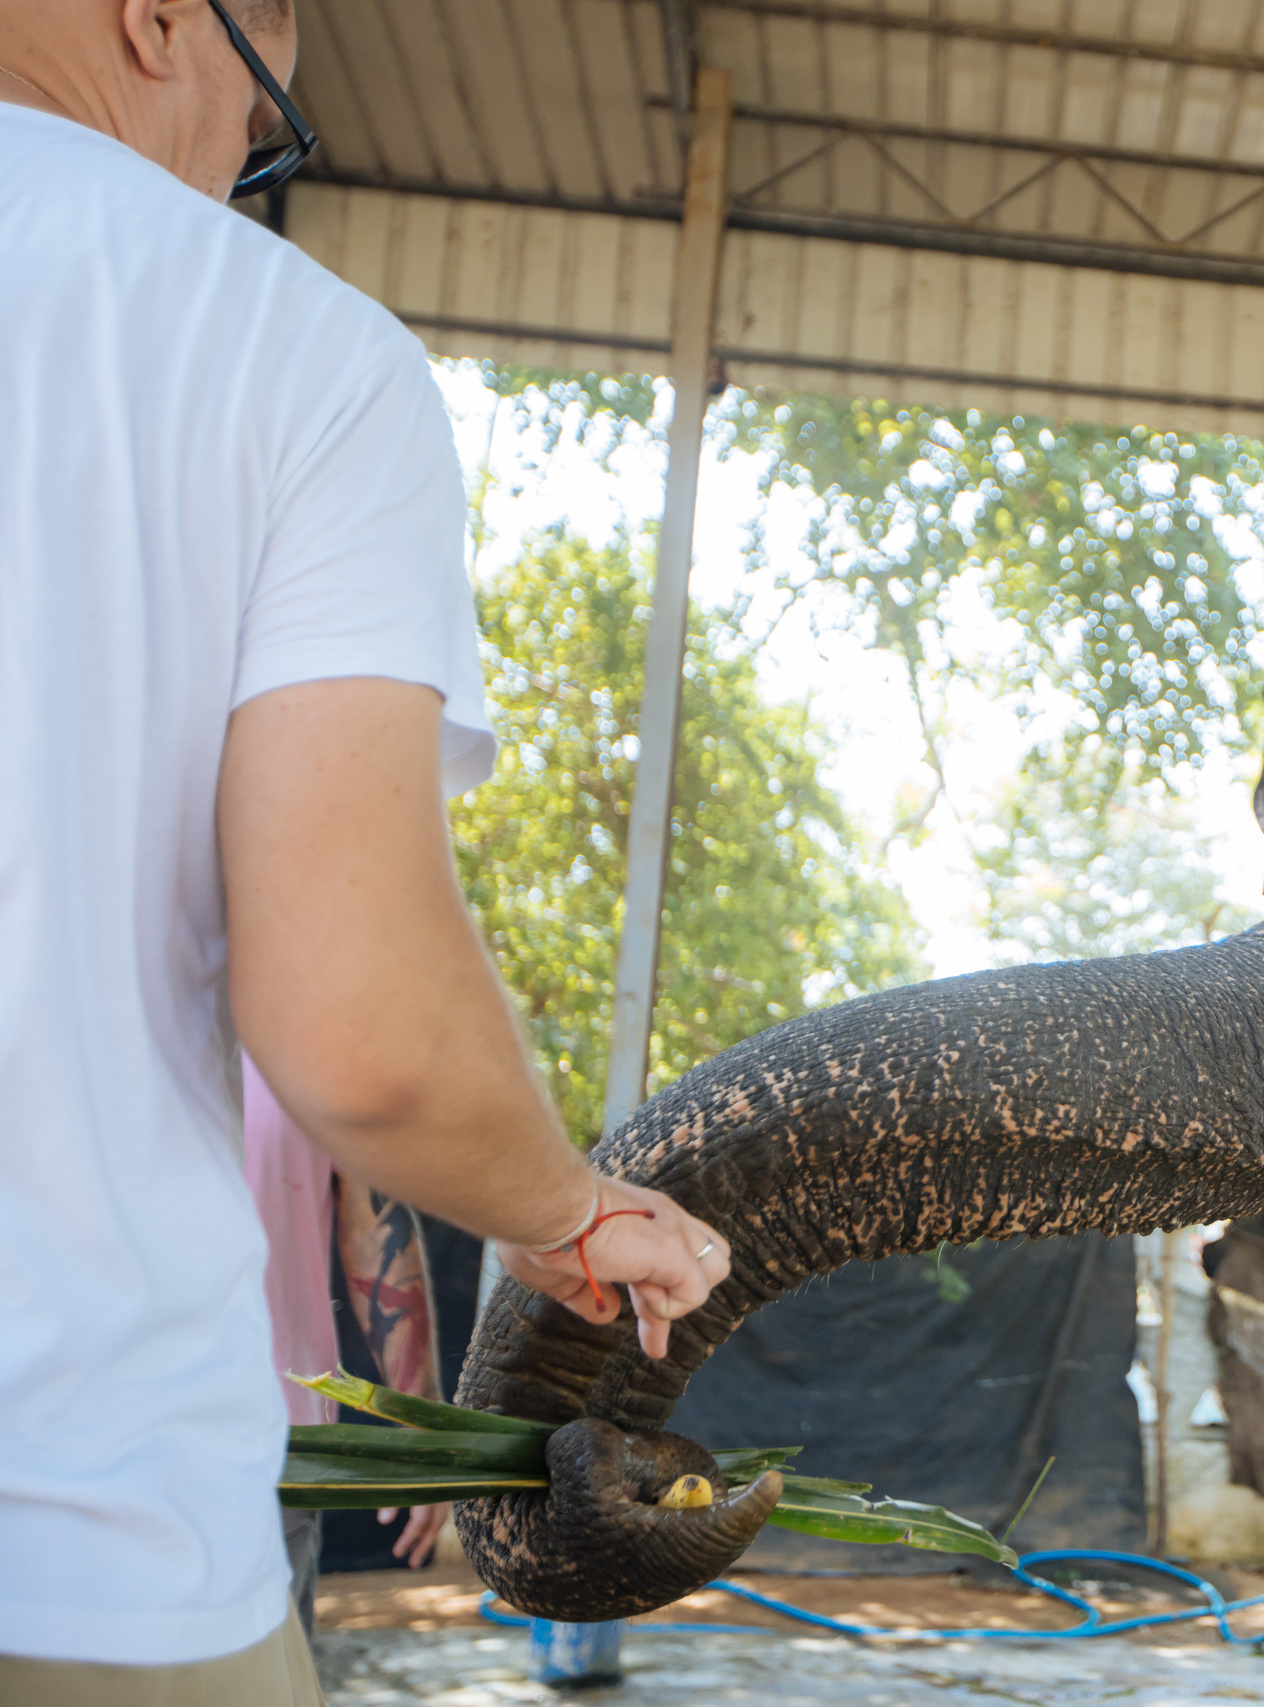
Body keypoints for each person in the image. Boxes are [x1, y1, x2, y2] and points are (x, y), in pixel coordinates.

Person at [0, 4, 733, 1701]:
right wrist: (565, 1208)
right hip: (70, 1525)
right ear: (164, 19)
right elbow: (364, 1031)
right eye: (267, 124)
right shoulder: (273, 347)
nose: (236, 171)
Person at [245, 1058, 452, 1637]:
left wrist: (421, 1431)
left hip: (276, 1448)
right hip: (68, 1440)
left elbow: (376, 1233)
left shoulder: (306, 1042)